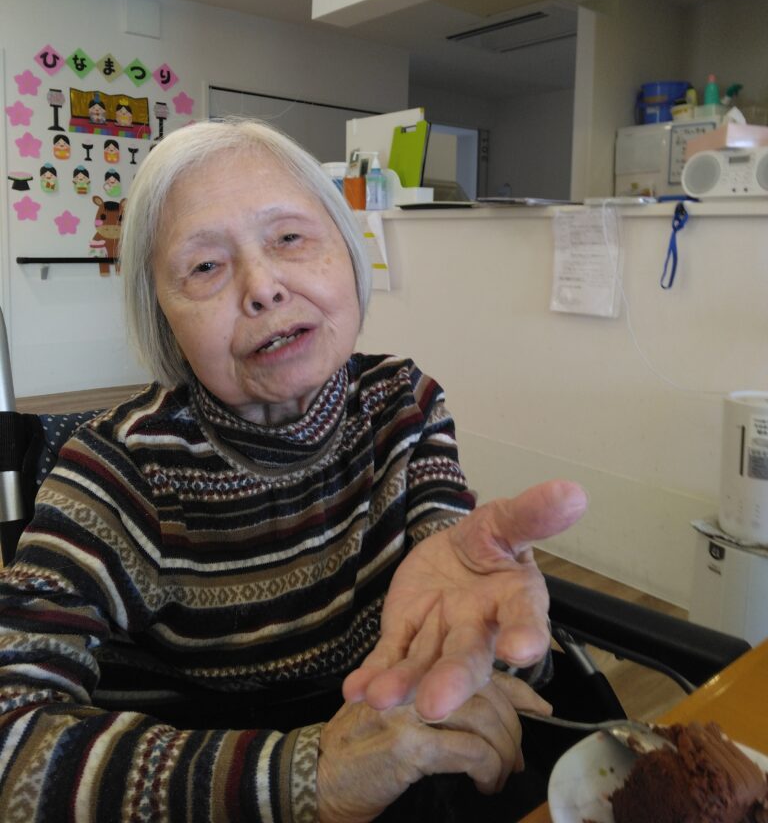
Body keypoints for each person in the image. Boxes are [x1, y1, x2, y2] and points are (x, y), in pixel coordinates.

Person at [0, 119, 587, 822]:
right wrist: (308, 777)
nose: (263, 288)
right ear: (164, 320)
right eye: (205, 267)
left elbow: (455, 604)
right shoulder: (117, 471)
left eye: (288, 238)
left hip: (399, 764)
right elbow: (11, 736)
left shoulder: (403, 402)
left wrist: (499, 642)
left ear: (348, 253)